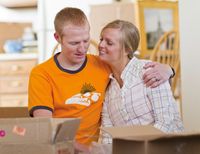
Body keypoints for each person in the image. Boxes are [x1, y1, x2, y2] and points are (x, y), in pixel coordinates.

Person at [28, 7, 175, 152]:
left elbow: (127, 64)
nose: (82, 48)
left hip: (95, 149)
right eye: (74, 43)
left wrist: (169, 70)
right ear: (57, 38)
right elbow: (44, 128)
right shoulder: (41, 74)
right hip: (61, 148)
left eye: (86, 40)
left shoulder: (103, 64)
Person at [99, 20, 184, 144]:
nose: (101, 45)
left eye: (109, 43)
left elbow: (166, 124)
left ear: (127, 50)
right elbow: (107, 135)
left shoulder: (151, 72)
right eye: (101, 39)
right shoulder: (108, 88)